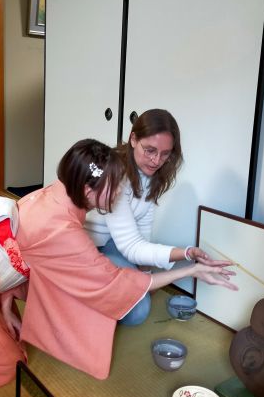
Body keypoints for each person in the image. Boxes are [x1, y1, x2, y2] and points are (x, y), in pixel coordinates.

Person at [0, 139, 236, 396]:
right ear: (90, 190)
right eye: (115, 187)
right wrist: (189, 271)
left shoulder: (54, 192)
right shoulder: (60, 229)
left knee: (12, 333)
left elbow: (18, 254)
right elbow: (113, 284)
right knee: (5, 369)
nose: (120, 194)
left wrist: (4, 305)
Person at [84, 109, 223, 325]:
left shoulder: (150, 175)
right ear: (133, 139)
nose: (156, 160)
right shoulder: (116, 175)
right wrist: (185, 254)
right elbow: (131, 245)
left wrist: (146, 273)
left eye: (165, 153)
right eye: (149, 150)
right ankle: (84, 293)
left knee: (139, 299)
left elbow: (142, 229)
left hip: (116, 243)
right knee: (137, 311)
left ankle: (99, 290)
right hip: (92, 245)